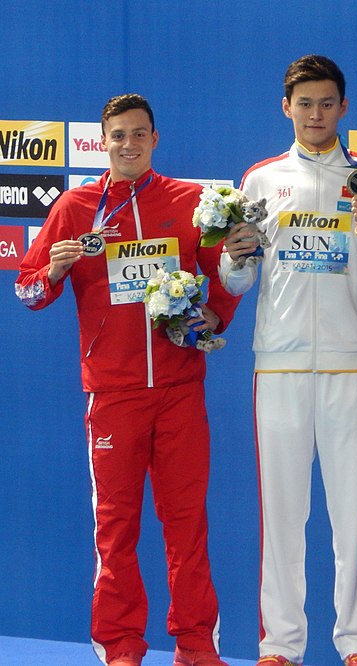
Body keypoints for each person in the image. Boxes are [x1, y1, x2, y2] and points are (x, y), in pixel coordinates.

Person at [15, 94, 240, 666]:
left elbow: (224, 277)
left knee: (186, 523)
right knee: (116, 529)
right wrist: (54, 269)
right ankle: (120, 645)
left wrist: (215, 314)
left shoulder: (190, 202)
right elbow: (28, 290)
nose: (129, 144)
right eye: (118, 135)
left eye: (139, 134)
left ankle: (194, 643)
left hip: (180, 388)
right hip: (112, 395)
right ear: (103, 141)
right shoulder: (75, 207)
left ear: (155, 139)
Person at [218, 55, 357, 666]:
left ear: (344, 108)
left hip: (352, 365)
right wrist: (236, 256)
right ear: (286, 108)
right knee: (282, 515)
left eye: (327, 103)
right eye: (304, 103)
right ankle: (280, 645)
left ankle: (356, 643)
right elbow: (237, 281)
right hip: (280, 367)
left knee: (353, 518)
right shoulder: (261, 179)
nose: (315, 114)